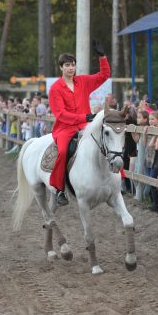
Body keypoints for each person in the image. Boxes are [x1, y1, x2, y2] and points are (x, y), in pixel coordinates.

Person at [48, 40, 110, 205]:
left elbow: (104, 75)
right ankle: (59, 189)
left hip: (85, 126)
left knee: (107, 142)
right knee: (62, 152)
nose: (70, 68)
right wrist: (84, 118)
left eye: (73, 65)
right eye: (67, 65)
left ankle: (117, 180)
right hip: (65, 129)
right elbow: (60, 114)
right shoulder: (55, 88)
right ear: (61, 67)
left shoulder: (83, 81)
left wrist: (102, 57)